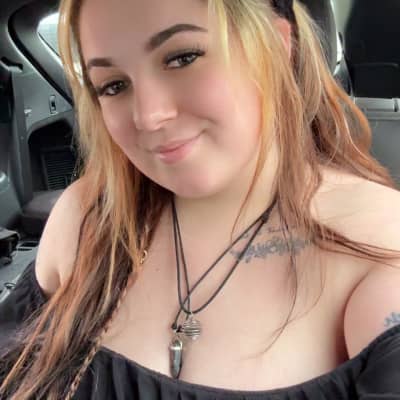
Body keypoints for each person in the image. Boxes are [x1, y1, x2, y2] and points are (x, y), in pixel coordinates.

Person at [1, 0, 400, 398]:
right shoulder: (87, 216)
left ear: (277, 46)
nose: (148, 116)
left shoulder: (380, 253)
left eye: (183, 58)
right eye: (114, 85)